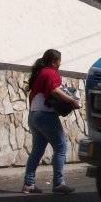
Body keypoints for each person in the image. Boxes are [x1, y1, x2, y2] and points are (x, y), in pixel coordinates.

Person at [22, 49, 81, 194]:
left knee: (37, 150)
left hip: (34, 115)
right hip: (46, 115)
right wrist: (72, 100)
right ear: (54, 61)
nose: (60, 64)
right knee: (61, 148)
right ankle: (58, 183)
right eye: (59, 61)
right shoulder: (50, 72)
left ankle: (28, 184)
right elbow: (54, 90)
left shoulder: (39, 73)